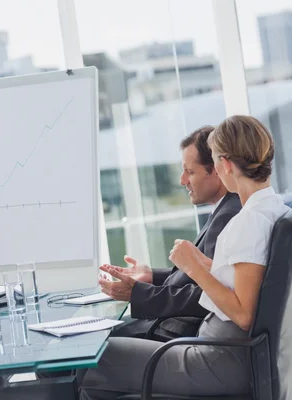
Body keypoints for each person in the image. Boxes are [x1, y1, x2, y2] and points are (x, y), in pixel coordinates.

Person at [80, 115, 289, 399]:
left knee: (95, 357)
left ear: (225, 164)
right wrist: (200, 263)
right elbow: (242, 280)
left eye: (215, 160)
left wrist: (195, 268)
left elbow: (243, 313)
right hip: (223, 352)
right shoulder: (273, 209)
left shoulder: (248, 221)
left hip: (217, 360)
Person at [101, 126, 241, 340]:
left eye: (190, 172)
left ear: (216, 169)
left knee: (84, 350)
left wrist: (138, 293)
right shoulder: (223, 209)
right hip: (172, 325)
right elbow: (200, 277)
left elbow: (208, 293)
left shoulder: (228, 216)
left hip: (177, 334)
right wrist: (152, 276)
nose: (182, 180)